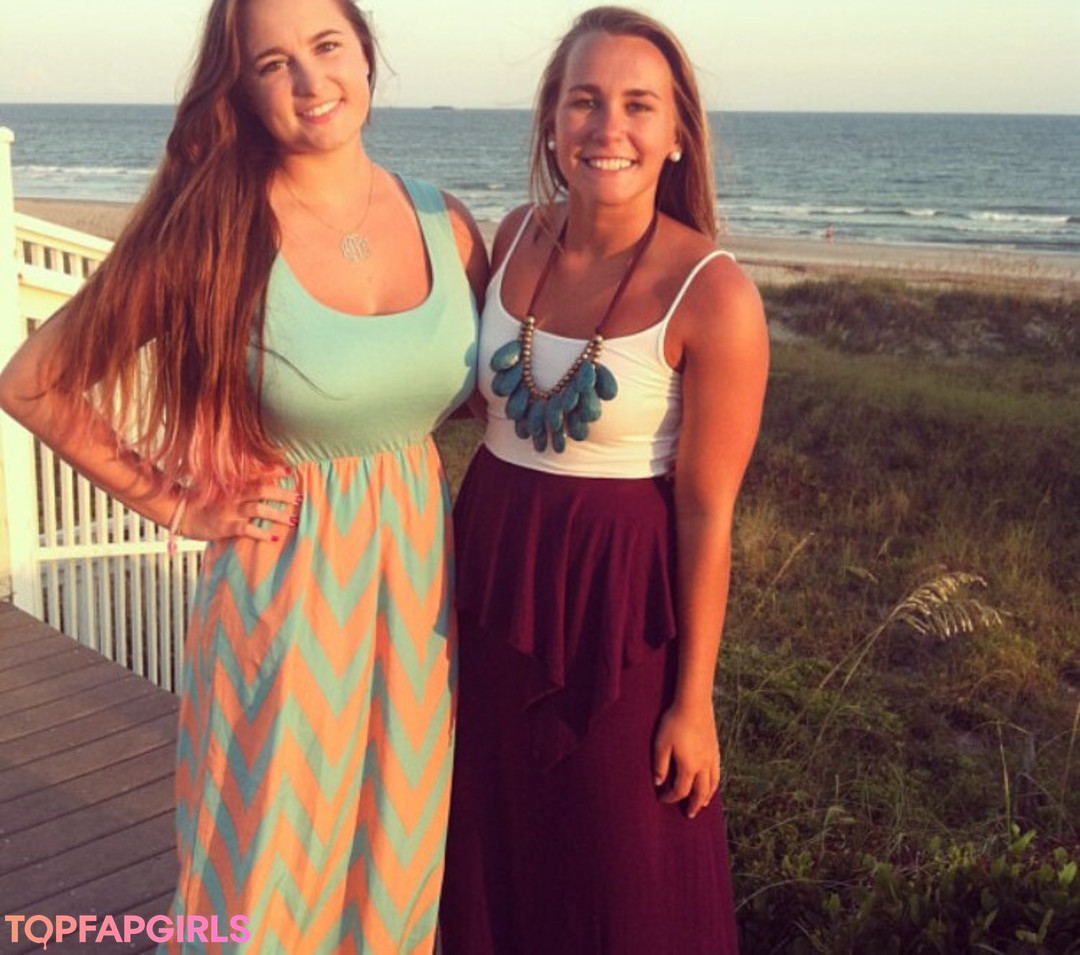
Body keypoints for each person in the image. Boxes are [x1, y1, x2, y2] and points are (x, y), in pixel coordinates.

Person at [0, 0, 485, 950]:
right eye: (272, 64)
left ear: (366, 52)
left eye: (327, 45)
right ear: (242, 91)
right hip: (287, 597)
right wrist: (178, 502)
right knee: (265, 881)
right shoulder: (215, 232)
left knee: (394, 870)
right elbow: (33, 382)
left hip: (421, 600)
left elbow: (478, 397)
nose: (310, 81)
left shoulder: (448, 222)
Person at [438, 7, 768, 953]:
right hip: (490, 573)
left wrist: (694, 700)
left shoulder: (714, 293)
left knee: (623, 864)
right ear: (552, 121)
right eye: (584, 101)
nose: (607, 127)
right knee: (493, 834)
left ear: (677, 135)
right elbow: (462, 396)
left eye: (638, 105)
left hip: (618, 609)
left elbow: (705, 512)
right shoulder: (512, 238)